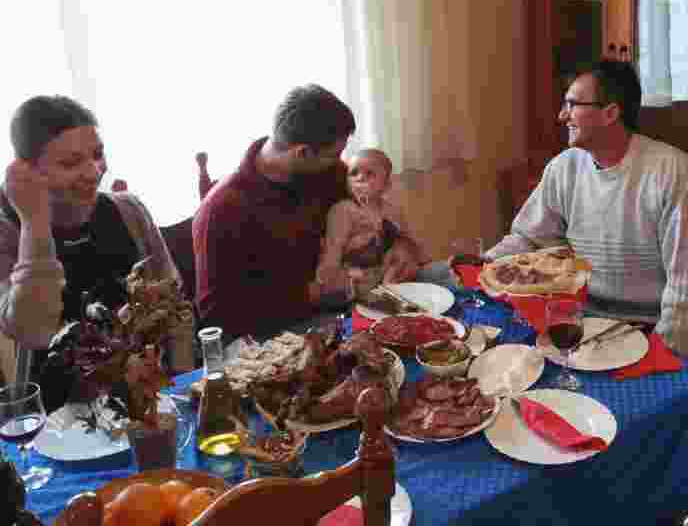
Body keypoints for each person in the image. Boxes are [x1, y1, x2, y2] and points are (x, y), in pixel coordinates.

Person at [487, 59, 688, 355]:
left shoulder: (674, 173)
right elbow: (528, 238)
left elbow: (686, 288)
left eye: (572, 104)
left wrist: (662, 355)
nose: (561, 115)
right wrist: (483, 263)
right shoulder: (564, 167)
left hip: (649, 331)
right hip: (583, 325)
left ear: (610, 113)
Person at [193, 84, 420, 348]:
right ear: (302, 153)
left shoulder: (326, 172)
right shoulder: (223, 208)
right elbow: (216, 318)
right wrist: (310, 294)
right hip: (276, 338)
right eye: (334, 154)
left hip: (342, 311)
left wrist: (403, 244)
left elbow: (374, 210)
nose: (341, 163)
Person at [0, 95, 188, 377]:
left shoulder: (129, 211)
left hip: (148, 394)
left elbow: (177, 311)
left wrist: (184, 382)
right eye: (70, 163)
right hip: (55, 410)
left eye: (97, 155)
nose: (93, 172)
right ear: (28, 170)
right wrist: (35, 222)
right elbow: (34, 331)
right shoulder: (9, 232)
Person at [316, 148, 423, 299]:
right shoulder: (344, 210)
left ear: (386, 185)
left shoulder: (392, 210)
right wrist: (329, 277)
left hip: (382, 272)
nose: (360, 178)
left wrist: (411, 254)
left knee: (409, 265)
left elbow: (407, 240)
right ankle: (383, 295)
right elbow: (332, 248)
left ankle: (390, 292)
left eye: (370, 174)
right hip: (353, 273)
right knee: (354, 281)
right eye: (354, 173)